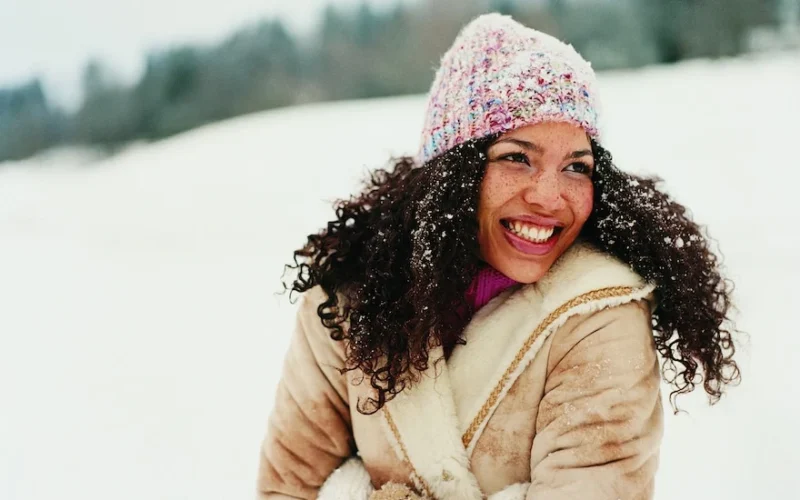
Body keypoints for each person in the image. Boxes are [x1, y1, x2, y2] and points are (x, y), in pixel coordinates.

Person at [255, 13, 740, 500]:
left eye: (577, 167)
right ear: (452, 174)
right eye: (516, 157)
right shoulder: (349, 301)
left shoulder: (599, 313)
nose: (549, 197)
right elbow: (287, 487)